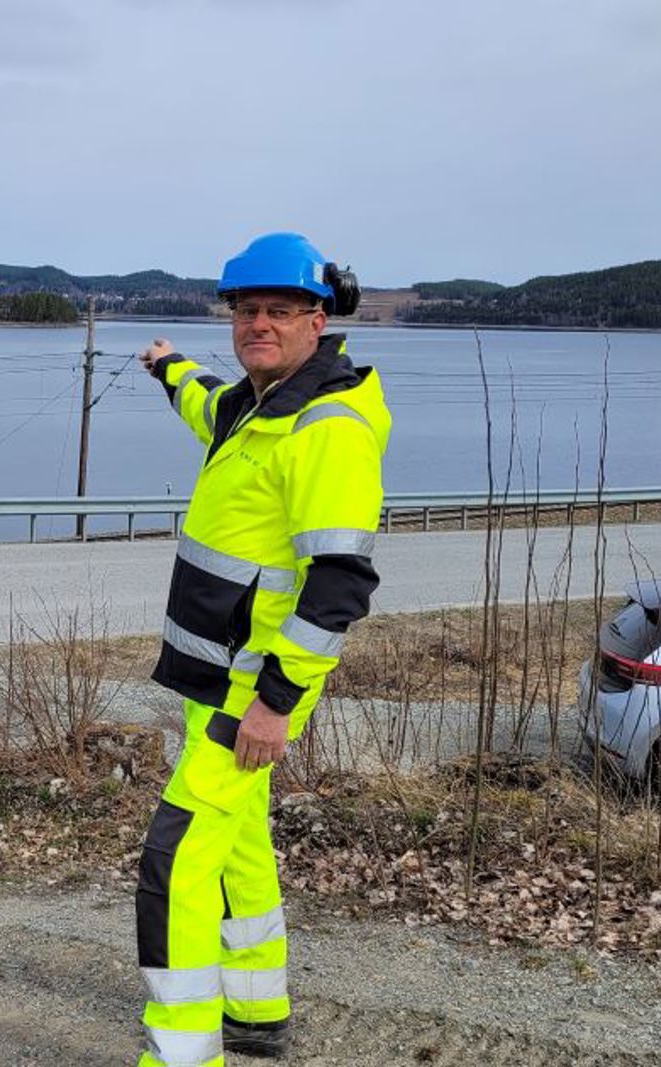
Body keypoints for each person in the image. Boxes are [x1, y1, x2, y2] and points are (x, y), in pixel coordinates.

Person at [132, 232, 391, 1065]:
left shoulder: (327, 425)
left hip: (255, 686)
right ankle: (256, 1006)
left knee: (176, 858)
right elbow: (202, 400)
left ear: (320, 318)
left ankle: (181, 1053)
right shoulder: (256, 402)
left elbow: (341, 582)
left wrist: (276, 704)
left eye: (280, 311)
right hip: (218, 675)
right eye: (247, 311)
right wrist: (166, 364)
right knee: (242, 840)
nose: (259, 325)